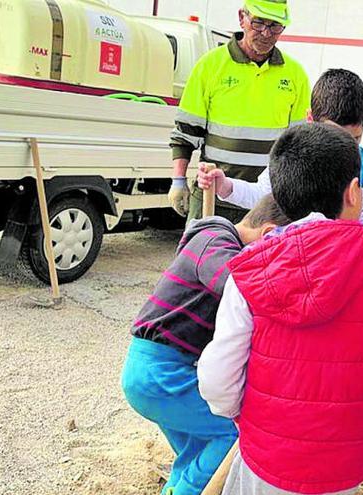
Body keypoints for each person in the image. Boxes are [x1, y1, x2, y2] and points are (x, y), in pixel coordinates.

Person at [198, 123, 363, 495]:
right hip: (346, 464)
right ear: (355, 193)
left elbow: (217, 380)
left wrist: (242, 417)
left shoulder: (249, 271)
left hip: (267, 456)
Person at [121, 195, 291, 495]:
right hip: (160, 372)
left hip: (158, 370)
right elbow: (239, 286)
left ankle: (178, 487)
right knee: (228, 434)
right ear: (268, 235)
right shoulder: (214, 241)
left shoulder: (215, 241)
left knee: (198, 450)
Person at [168, 0, 310, 223]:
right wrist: (178, 180)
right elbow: (185, 133)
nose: (266, 32)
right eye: (259, 23)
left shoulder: (295, 75)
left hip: (264, 203)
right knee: (201, 257)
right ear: (241, 18)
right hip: (212, 195)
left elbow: (297, 145)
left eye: (275, 26)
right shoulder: (210, 66)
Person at [196, 69, 363, 228]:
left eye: (354, 139)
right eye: (332, 136)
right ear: (310, 119)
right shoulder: (293, 153)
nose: (342, 149)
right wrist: (226, 186)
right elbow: (265, 195)